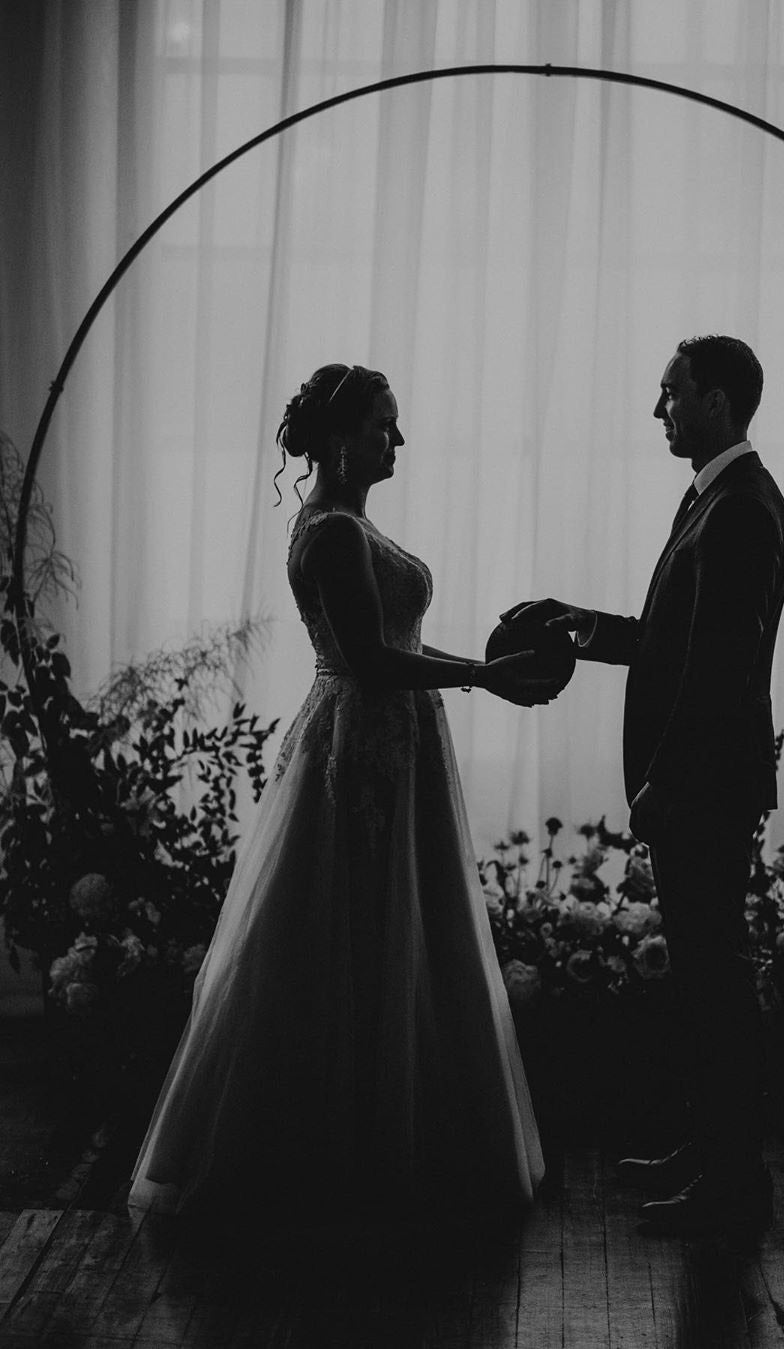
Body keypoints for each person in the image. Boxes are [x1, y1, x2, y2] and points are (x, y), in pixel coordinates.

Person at [128, 363, 547, 1220]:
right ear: (340, 438)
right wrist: (484, 675)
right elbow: (373, 660)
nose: (398, 439)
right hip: (365, 743)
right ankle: (347, 1157)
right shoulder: (335, 535)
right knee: (362, 930)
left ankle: (375, 1140)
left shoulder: (341, 524)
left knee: (391, 927)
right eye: (385, 424)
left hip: (385, 735)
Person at [504, 335, 784, 1240]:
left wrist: (665, 782)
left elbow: (718, 671)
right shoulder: (718, 498)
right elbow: (675, 638)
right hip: (705, 784)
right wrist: (578, 625)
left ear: (716, 400)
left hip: (704, 787)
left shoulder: (740, 509)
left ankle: (734, 1183)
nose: (657, 409)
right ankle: (709, 1152)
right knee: (707, 983)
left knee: (716, 985)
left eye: (670, 393)